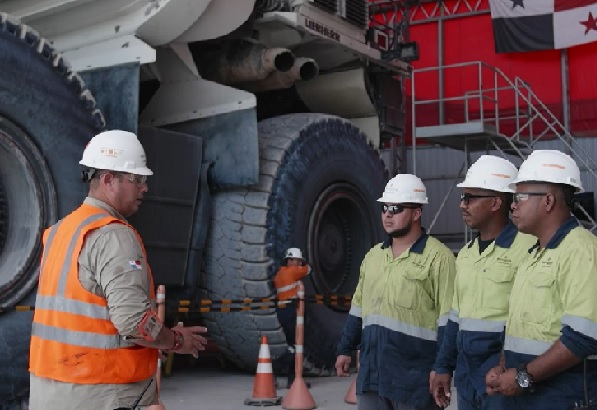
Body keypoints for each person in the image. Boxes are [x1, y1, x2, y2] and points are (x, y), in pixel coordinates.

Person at [28, 130, 208, 410]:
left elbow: (85, 316)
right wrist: (173, 341)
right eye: (137, 179)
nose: (145, 188)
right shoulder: (112, 236)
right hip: (102, 393)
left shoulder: (60, 231)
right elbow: (135, 324)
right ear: (109, 180)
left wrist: (155, 340)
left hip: (51, 390)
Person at [485, 150, 597, 409]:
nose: (512, 205)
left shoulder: (581, 251)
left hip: (562, 400)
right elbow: (520, 328)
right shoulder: (534, 254)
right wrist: (502, 366)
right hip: (526, 398)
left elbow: (583, 338)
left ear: (548, 201)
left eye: (519, 197)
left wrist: (523, 377)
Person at [335, 173, 457, 410]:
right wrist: (345, 348)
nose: (388, 214)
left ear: (416, 212)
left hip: (414, 381)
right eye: (384, 208)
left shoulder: (439, 258)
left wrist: (443, 367)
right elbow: (358, 308)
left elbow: (449, 319)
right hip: (372, 376)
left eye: (396, 208)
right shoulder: (373, 257)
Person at [430, 155, 535, 410]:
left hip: (503, 373)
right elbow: (456, 318)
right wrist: (443, 366)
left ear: (496, 202)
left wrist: (507, 366)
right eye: (462, 198)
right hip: (467, 377)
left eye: (470, 198)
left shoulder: (528, 249)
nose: (462, 205)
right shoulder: (466, 254)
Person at [273, 247, 311, 388]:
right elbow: (308, 270)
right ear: (290, 260)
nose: (299, 263)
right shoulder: (293, 272)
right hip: (290, 312)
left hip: (282, 312)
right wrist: (305, 263)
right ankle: (275, 366)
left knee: (293, 346)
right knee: (296, 346)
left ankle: (292, 379)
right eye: (297, 260)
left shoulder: (279, 274)